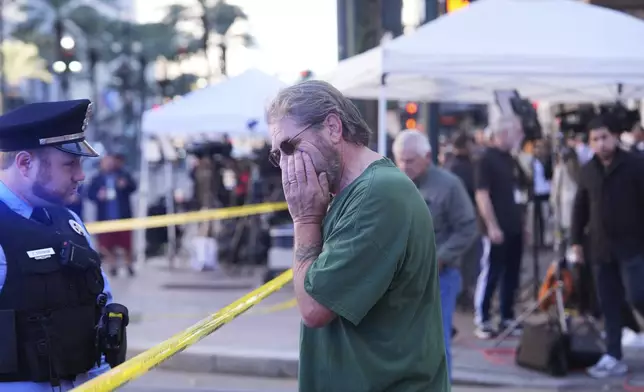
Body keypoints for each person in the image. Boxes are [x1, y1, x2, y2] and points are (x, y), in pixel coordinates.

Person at [266, 80, 449, 392]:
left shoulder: (378, 195)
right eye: (277, 155)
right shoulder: (346, 194)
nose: (285, 166)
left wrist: (305, 219)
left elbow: (314, 308)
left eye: (289, 147)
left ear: (333, 128)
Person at [0, 99, 124, 390]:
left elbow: (98, 306)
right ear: (25, 163)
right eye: (69, 163)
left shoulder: (69, 220)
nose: (80, 175)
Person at [393, 130, 478, 380]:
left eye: (410, 160)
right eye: (400, 160)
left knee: (436, 343)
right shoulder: (394, 184)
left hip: (439, 277)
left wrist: (440, 257)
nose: (404, 166)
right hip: (401, 277)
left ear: (427, 157)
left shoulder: (449, 185)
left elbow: (467, 228)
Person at [570, 117, 644, 378]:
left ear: (614, 137)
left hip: (633, 245)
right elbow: (580, 208)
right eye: (595, 139)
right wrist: (576, 241)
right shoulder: (588, 170)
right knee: (609, 303)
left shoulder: (635, 165)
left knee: (638, 294)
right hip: (601, 249)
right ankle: (613, 355)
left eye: (604, 137)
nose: (601, 143)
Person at [473, 115, 526, 339]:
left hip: (514, 224)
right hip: (497, 226)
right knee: (492, 272)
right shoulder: (486, 159)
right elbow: (482, 195)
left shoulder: (511, 159)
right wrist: (492, 225)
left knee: (511, 274)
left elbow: (519, 193)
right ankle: (482, 318)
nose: (519, 137)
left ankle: (506, 316)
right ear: (503, 134)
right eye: (516, 132)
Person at [88, 153, 137, 277]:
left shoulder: (123, 175)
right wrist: (98, 195)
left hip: (122, 216)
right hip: (105, 217)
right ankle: (113, 265)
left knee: (126, 244)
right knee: (108, 245)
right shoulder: (97, 178)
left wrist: (125, 185)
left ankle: (129, 264)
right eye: (106, 162)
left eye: (111, 162)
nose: (109, 164)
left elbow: (134, 187)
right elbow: (89, 194)